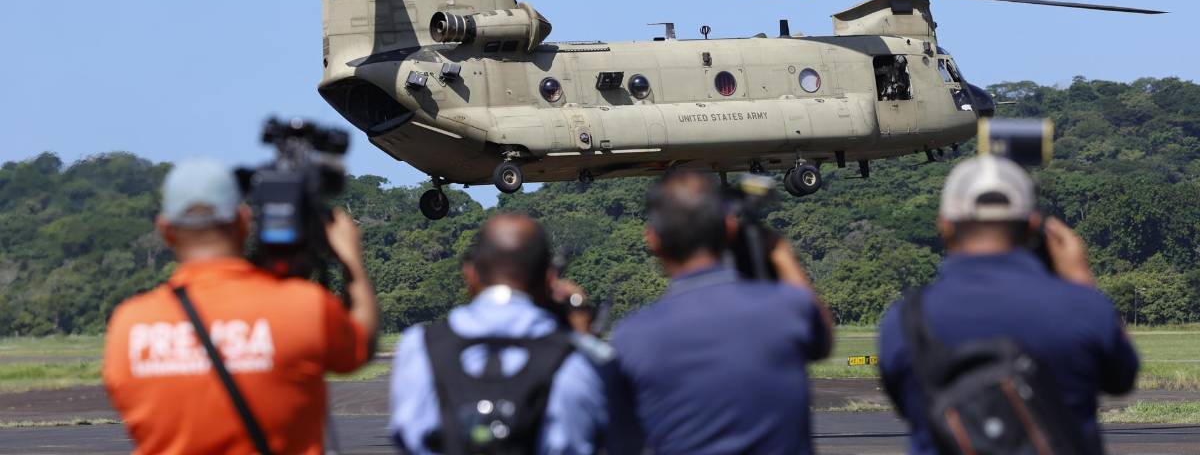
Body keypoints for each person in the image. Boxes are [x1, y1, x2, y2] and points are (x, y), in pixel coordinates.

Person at [104, 158, 379, 454]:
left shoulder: (128, 327)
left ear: (166, 230)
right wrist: (351, 261)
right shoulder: (302, 305)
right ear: (243, 221)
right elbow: (360, 344)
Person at [878, 155, 1139, 454]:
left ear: (946, 227)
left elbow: (904, 405)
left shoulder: (905, 320)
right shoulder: (1083, 308)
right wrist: (1082, 281)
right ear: (1033, 227)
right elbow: (1122, 378)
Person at [608, 170, 834, 455]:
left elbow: (623, 441)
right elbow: (822, 340)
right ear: (729, 229)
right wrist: (779, 252)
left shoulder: (632, 336)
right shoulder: (785, 308)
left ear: (653, 240)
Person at [389, 213, 610, 455]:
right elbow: (606, 434)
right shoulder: (576, 355)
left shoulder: (419, 345)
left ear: (470, 273)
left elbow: (407, 436)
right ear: (549, 280)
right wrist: (580, 330)